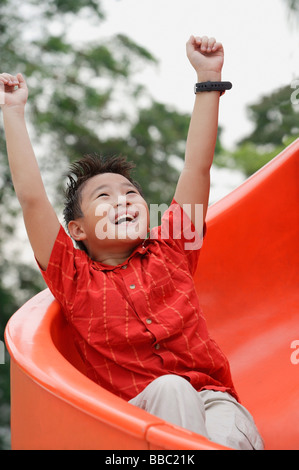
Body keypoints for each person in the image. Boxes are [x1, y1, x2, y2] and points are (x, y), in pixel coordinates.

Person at [0, 35, 264, 450]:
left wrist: (208, 80)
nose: (123, 201)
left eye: (130, 193)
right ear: (78, 231)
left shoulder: (173, 248)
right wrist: (13, 113)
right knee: (172, 390)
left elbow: (197, 166)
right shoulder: (74, 278)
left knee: (225, 434)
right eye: (103, 198)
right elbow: (32, 199)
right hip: (133, 423)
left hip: (214, 404)